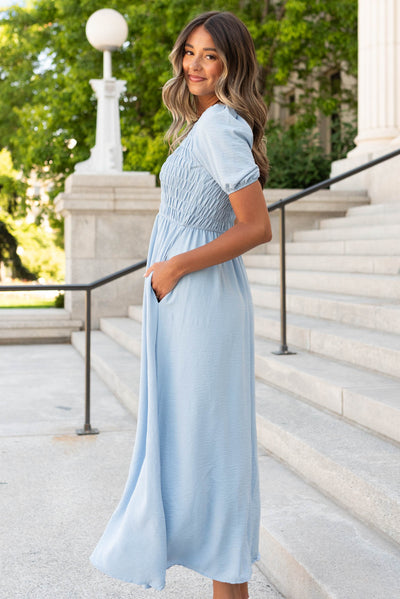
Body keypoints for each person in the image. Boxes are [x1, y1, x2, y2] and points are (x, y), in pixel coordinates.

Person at [90, 11, 272, 599]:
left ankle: (229, 583)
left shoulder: (221, 126)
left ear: (232, 64)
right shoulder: (204, 124)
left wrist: (174, 266)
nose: (196, 64)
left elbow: (256, 226)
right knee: (195, 442)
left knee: (211, 445)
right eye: (190, 52)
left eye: (211, 55)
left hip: (200, 300)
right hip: (188, 301)